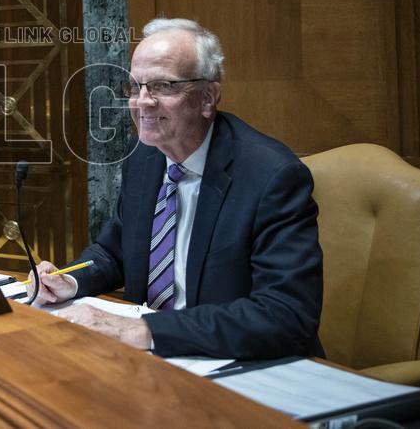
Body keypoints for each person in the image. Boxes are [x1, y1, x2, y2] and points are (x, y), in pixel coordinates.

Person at [33, 18, 323, 360]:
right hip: (154, 362)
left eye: (162, 86)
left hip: (242, 367)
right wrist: (71, 281)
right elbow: (115, 252)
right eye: (135, 86)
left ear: (208, 97)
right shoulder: (144, 156)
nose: (142, 102)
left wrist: (142, 331)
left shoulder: (271, 176)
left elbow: (285, 315)